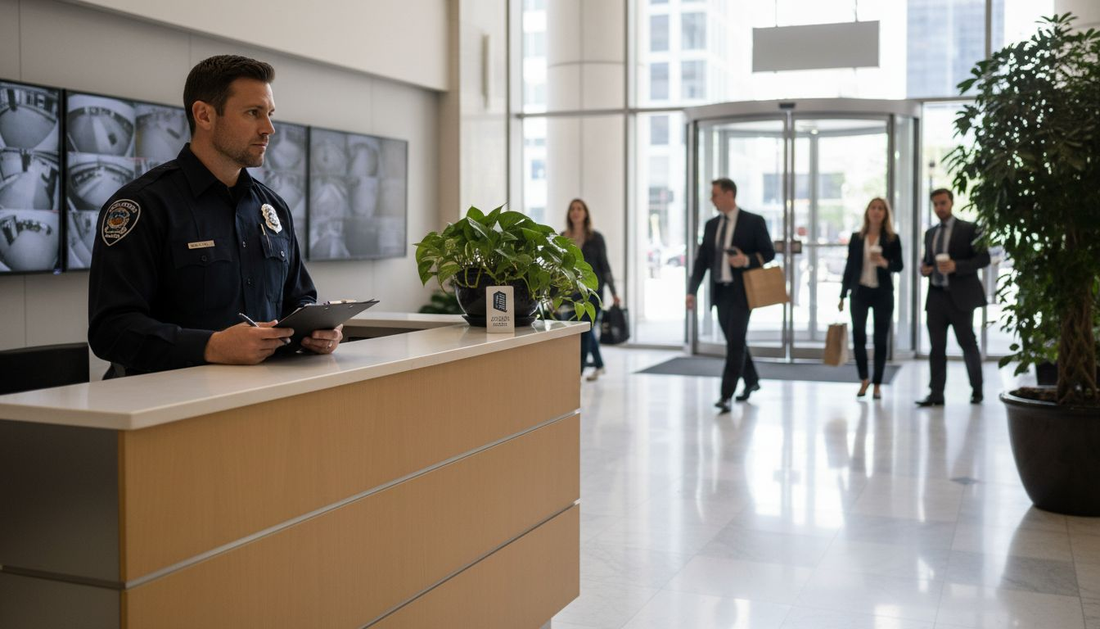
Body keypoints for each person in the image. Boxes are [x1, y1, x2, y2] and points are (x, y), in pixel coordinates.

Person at [88, 55, 342, 377]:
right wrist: (212, 346)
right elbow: (111, 330)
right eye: (253, 113)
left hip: (263, 396)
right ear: (204, 115)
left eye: (269, 114)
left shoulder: (273, 208)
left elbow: (298, 299)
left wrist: (317, 332)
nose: (269, 128)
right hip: (167, 406)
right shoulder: (142, 206)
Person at [687, 178, 775, 412]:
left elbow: (769, 253)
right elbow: (702, 260)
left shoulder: (753, 221)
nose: (711, 199)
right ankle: (752, 380)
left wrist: (745, 260)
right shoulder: (711, 225)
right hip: (720, 293)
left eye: (715, 194)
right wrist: (691, 291)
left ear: (729, 194)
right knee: (736, 341)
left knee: (735, 344)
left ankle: (726, 395)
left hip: (742, 293)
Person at [916, 188, 990, 406]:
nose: (940, 207)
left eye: (943, 203)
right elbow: (928, 262)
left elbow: (984, 258)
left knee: (967, 343)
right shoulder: (930, 233)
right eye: (936, 204)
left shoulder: (969, 229)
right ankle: (936, 394)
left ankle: (977, 390)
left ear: (951, 202)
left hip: (960, 298)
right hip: (936, 297)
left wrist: (957, 266)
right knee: (936, 347)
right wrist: (924, 269)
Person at [838, 197, 904, 400]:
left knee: (880, 339)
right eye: (873, 208)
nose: (876, 212)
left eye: (881, 209)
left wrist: (885, 262)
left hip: (882, 293)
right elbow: (850, 267)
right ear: (868, 212)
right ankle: (863, 379)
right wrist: (842, 295)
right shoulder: (857, 237)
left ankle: (877, 383)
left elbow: (899, 266)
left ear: (885, 214)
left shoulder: (892, 238)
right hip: (860, 292)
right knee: (859, 336)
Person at [563, 198, 620, 381]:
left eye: (579, 208)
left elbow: (605, 266)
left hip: (592, 293)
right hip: (571, 293)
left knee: (586, 330)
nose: (576, 212)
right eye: (573, 209)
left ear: (585, 213)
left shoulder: (595, 238)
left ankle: (577, 372)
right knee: (583, 330)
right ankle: (600, 364)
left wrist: (614, 293)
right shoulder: (562, 237)